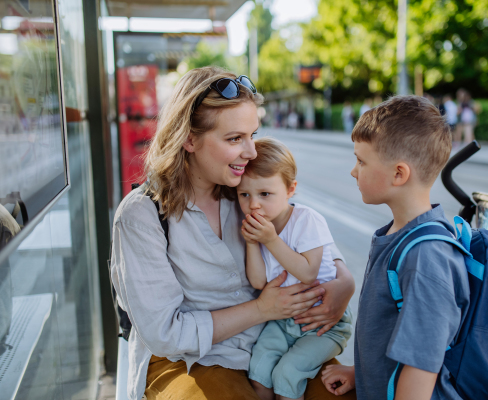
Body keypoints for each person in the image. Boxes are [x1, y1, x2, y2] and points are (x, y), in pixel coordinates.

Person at [110, 66, 356, 400]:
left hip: (280, 340)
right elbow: (165, 334)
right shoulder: (142, 216)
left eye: (253, 134)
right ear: (189, 139)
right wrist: (261, 310)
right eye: (234, 139)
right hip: (189, 360)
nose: (252, 152)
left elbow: (307, 233)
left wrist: (343, 282)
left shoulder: (245, 190)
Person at [321, 96, 469, 400]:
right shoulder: (398, 234)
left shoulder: (426, 257)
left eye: (362, 161)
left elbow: (421, 367)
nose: (354, 171)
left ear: (398, 174)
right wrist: (360, 374)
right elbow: (390, 332)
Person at [237, 137, 353, 400]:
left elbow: (308, 272)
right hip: (283, 321)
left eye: (265, 194)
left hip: (323, 323)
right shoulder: (260, 229)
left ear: (290, 190)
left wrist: (270, 240)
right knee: (259, 368)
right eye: (245, 194)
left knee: (287, 372)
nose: (254, 204)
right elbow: (258, 282)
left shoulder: (307, 220)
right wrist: (252, 244)